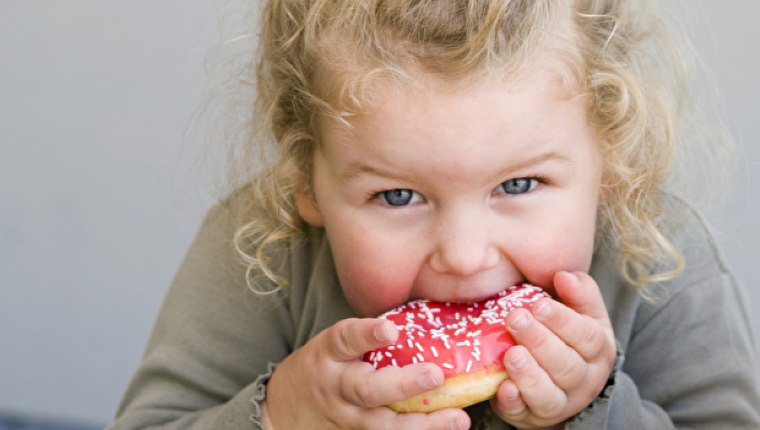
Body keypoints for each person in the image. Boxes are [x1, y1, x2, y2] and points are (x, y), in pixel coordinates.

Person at [108, 0, 760, 429]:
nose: (466, 254)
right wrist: (280, 414)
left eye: (521, 183)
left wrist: (596, 408)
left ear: (610, 157)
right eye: (398, 197)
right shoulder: (266, 246)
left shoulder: (657, 258)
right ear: (306, 178)